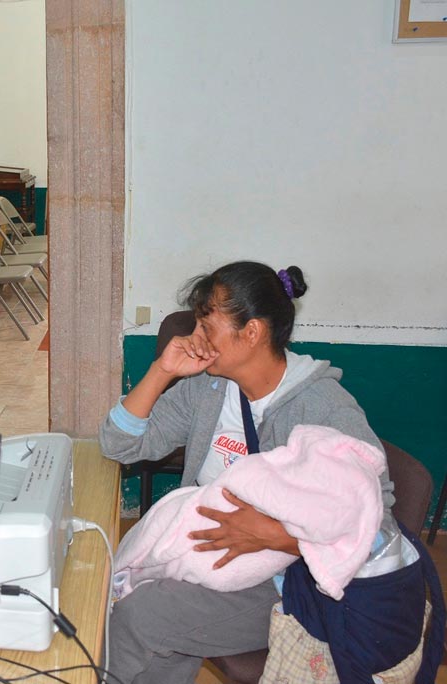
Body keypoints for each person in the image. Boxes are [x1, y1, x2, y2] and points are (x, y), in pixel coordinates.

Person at [99, 261, 401, 683]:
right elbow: (119, 444)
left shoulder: (322, 408)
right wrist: (162, 370)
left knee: (143, 613)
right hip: (204, 558)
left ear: (253, 332)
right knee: (144, 613)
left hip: (284, 580)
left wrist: (275, 536)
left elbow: (376, 523)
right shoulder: (209, 389)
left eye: (207, 326)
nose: (195, 338)